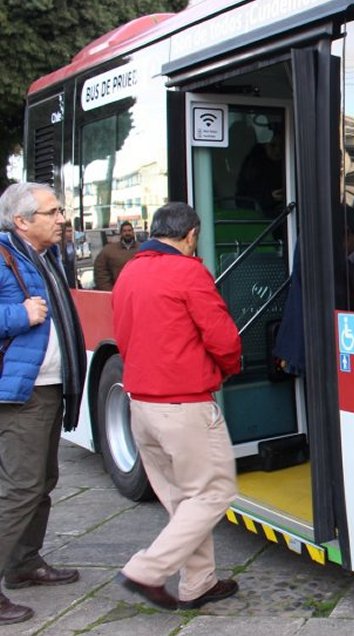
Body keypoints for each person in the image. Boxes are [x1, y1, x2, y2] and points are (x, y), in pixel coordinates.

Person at [111, 202, 242, 611]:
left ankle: (198, 582)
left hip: (141, 407)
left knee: (183, 501)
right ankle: (147, 570)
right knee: (214, 492)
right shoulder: (188, 272)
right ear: (190, 236)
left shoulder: (130, 270)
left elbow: (124, 333)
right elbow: (223, 337)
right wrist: (228, 369)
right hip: (184, 407)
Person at [0, 182, 86, 626]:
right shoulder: (2, 255)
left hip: (49, 386)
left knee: (42, 481)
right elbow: (19, 315)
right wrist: (19, 315)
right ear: (21, 221)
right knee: (19, 488)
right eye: (52, 212)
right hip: (22, 392)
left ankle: (23, 564)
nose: (62, 219)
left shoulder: (46, 256)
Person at [93, 220, 138, 290]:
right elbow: (100, 271)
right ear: (121, 233)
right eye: (124, 231)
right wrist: (109, 290)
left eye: (129, 230)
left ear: (133, 232)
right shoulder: (109, 250)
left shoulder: (142, 249)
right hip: (117, 291)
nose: (127, 233)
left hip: (138, 291)